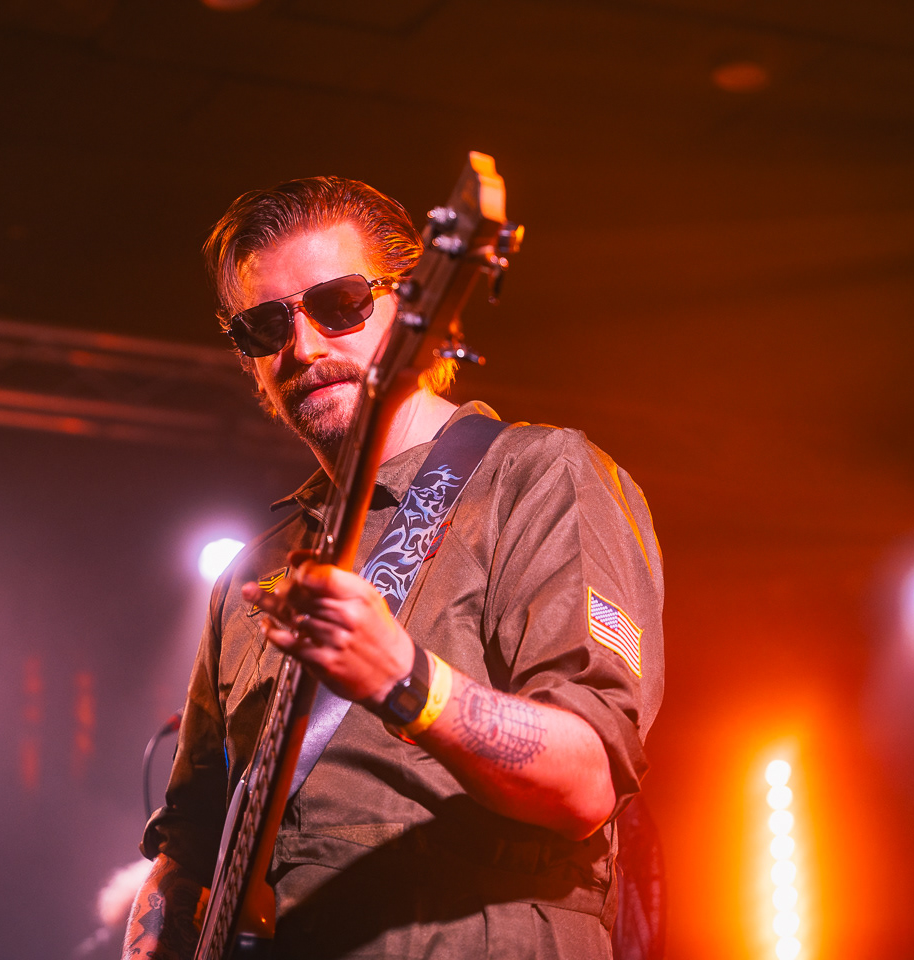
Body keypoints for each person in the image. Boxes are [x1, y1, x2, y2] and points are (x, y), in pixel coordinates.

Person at [124, 176, 664, 959]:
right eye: (266, 325)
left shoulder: (539, 476)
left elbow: (586, 781)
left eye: (339, 304)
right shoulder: (255, 567)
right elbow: (192, 843)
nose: (304, 347)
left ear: (414, 305)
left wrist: (403, 679)